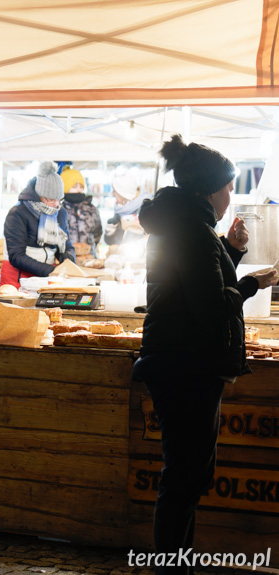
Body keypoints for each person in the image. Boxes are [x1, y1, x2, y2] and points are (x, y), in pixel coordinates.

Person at [133, 134, 278, 574]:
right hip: (186, 366)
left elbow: (199, 288)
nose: (231, 196)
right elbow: (211, 304)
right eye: (229, 188)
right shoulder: (191, 230)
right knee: (185, 476)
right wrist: (257, 283)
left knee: (189, 473)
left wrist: (231, 251)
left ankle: (177, 564)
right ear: (210, 189)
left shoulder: (186, 225)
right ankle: (170, 567)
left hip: (182, 362)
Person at [1, 160, 76, 287]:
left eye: (59, 199)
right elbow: (16, 256)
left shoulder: (60, 213)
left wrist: (68, 263)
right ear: (39, 194)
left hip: (48, 278)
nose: (56, 204)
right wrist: (51, 271)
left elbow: (65, 245)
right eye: (51, 199)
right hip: (18, 278)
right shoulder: (18, 213)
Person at [60, 166, 102, 257]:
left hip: (89, 259)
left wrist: (89, 247)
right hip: (66, 260)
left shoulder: (91, 209)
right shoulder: (59, 210)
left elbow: (97, 233)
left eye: (81, 186)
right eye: (74, 186)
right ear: (65, 187)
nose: (79, 190)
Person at [104, 170, 146, 247]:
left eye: (114, 190)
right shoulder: (121, 209)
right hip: (120, 256)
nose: (112, 194)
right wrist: (110, 233)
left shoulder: (145, 209)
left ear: (123, 192)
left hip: (139, 256)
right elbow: (112, 242)